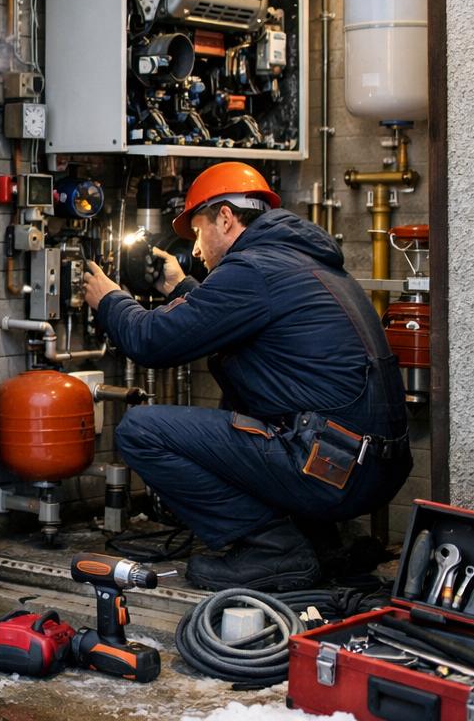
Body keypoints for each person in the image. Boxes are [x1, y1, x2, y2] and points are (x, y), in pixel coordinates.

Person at [81, 162, 410, 593]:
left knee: (142, 430)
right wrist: (180, 288)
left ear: (225, 218)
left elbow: (151, 341)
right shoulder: (297, 261)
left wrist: (110, 301)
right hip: (371, 469)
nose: (196, 250)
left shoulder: (251, 270)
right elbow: (239, 321)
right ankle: (318, 543)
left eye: (198, 232)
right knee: (250, 401)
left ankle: (272, 551)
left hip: (332, 471)